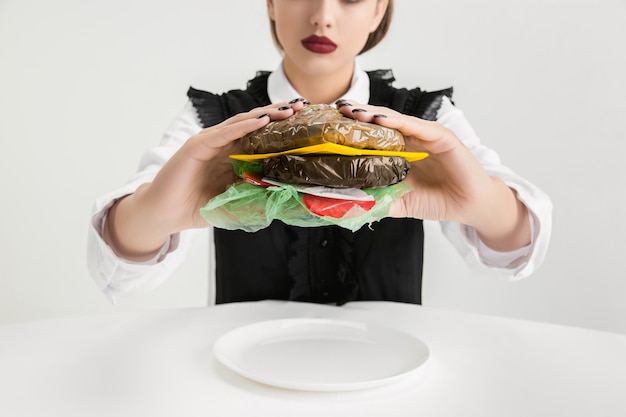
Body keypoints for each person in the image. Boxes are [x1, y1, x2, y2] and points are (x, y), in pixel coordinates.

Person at [87, 0, 552, 305]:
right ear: (270, 3)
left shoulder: (424, 120)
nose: (323, 15)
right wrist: (158, 212)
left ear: (378, 11)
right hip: (245, 378)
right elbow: (120, 272)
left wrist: (482, 204)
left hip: (387, 376)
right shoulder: (217, 122)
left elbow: (517, 250)